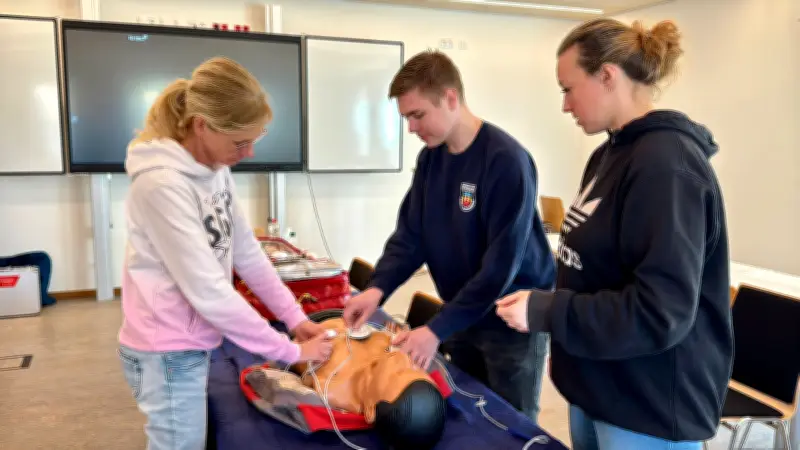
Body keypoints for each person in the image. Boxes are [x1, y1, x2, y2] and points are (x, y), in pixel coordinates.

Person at [496, 18, 733, 450]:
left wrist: (548, 312)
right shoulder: (608, 154)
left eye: (568, 89)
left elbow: (659, 313)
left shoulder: (666, 163)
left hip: (646, 406)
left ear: (607, 76)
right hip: (598, 387)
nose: (565, 105)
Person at [117, 56, 334, 450]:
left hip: (191, 341)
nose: (248, 153)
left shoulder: (216, 167)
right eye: (239, 142)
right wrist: (289, 351)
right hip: (166, 349)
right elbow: (209, 291)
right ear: (202, 125)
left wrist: (295, 319)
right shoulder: (161, 185)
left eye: (255, 139)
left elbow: (247, 253)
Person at [343, 50, 556, 423]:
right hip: (461, 312)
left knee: (511, 422)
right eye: (406, 118)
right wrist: (377, 289)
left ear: (451, 98)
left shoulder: (506, 161)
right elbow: (411, 236)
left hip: (510, 324)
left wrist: (436, 329)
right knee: (465, 411)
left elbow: (499, 268)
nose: (412, 128)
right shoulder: (432, 159)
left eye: (418, 115)